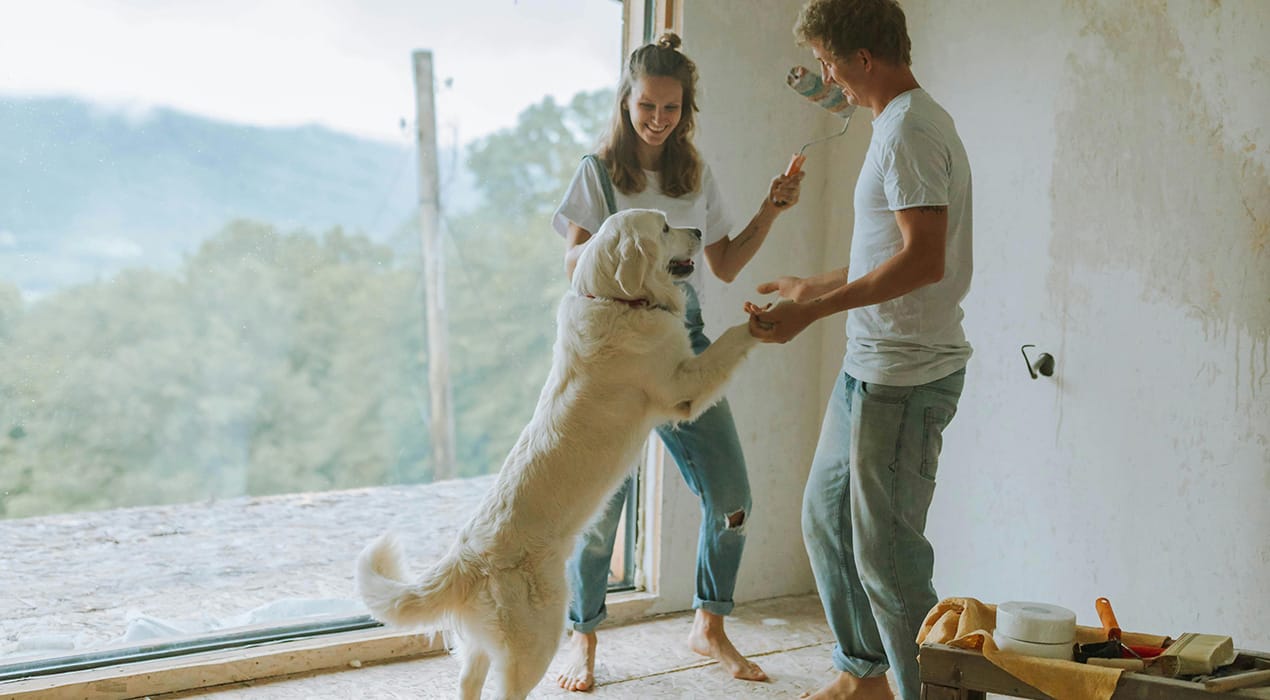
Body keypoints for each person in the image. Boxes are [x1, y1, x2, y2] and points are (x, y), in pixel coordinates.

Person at [550, 32, 804, 693]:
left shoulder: (696, 174)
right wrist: (630, 242)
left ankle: (709, 626)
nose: (657, 119)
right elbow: (572, 265)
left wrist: (770, 211)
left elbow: (723, 264)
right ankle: (583, 638)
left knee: (733, 500)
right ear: (626, 103)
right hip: (612, 352)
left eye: (670, 108)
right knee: (599, 509)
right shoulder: (597, 172)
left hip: (681, 343)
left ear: (685, 109)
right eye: (646, 107)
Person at [746, 1, 973, 698]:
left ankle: (923, 694)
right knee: (824, 520)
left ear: (863, 60)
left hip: (905, 380)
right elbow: (889, 251)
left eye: (827, 61)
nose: (826, 75)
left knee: (892, 565)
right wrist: (811, 283)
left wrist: (810, 313)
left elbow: (924, 261)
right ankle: (864, 676)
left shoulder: (909, 129)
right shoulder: (896, 125)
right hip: (867, 371)